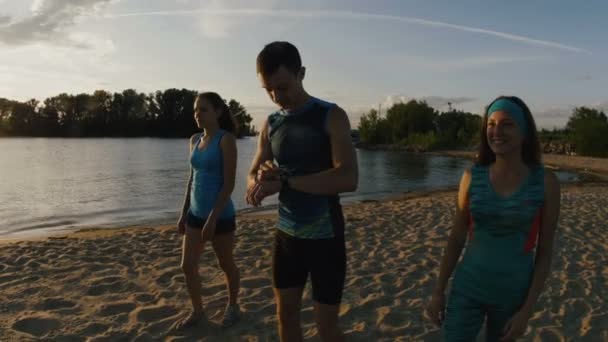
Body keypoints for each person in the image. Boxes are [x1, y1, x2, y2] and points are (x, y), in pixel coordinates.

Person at [245, 41, 358, 342]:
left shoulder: (331, 115)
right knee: (286, 316)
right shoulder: (271, 123)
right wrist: (258, 184)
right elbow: (252, 171)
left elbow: (348, 178)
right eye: (267, 90)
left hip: (326, 238)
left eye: (282, 87)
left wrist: (285, 182)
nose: (275, 97)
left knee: (327, 328)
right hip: (287, 236)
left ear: (302, 73)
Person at [426, 96, 561, 341]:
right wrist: (438, 291)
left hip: (513, 295)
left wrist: (527, 311)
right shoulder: (471, 177)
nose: (496, 131)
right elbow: (456, 238)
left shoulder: (546, 183)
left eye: (507, 124)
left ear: (524, 132)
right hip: (467, 287)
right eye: (491, 124)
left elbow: (544, 252)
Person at [175, 92, 241, 329]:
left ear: (218, 112)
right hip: (195, 215)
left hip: (220, 216)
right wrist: (184, 213)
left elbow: (229, 183)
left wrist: (213, 218)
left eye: (203, 109)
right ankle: (198, 312)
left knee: (226, 264)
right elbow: (192, 179)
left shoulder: (226, 140)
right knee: (187, 265)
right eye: (195, 110)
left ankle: (233, 306)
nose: (197, 114)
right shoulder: (194, 140)